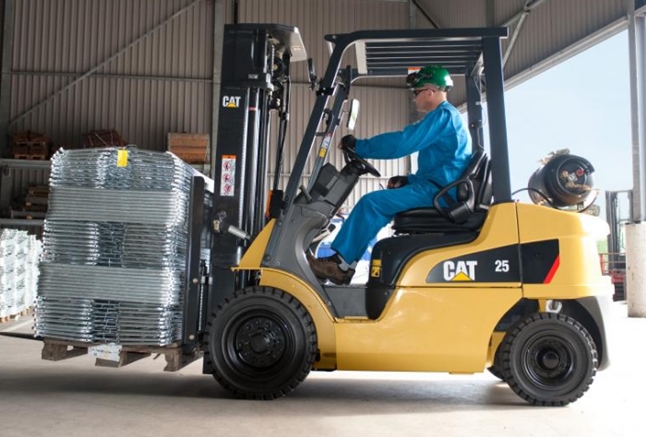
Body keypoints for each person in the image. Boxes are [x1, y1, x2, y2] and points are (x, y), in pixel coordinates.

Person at [308, 64, 473, 285]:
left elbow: (403, 142)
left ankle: (340, 265)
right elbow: (440, 167)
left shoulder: (443, 116)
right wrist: (408, 180)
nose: (414, 98)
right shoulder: (447, 118)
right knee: (376, 202)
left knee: (372, 203)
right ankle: (343, 263)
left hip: (439, 193)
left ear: (430, 92)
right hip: (438, 188)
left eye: (416, 92)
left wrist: (360, 146)